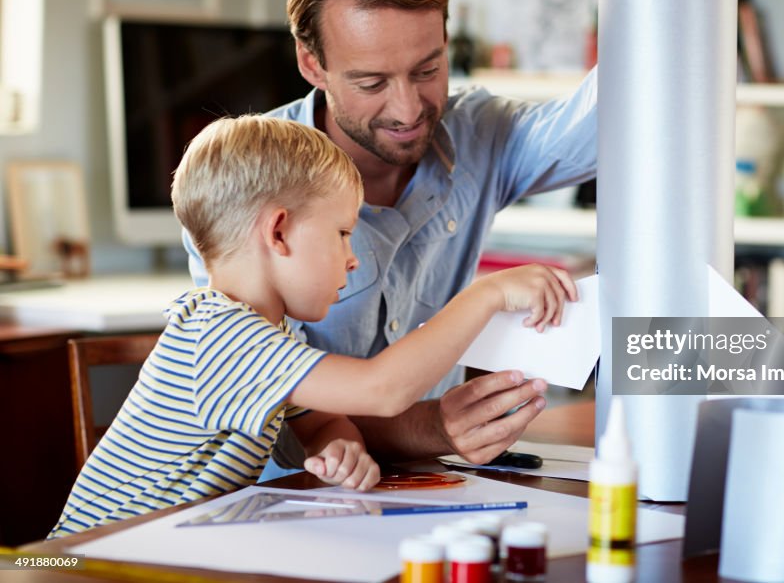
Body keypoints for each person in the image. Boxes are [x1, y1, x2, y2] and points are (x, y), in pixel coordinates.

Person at [184, 0, 742, 469]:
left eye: (428, 69)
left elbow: (610, 124)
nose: (408, 110)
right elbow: (287, 426)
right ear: (313, 64)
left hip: (439, 480)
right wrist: (430, 427)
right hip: (288, 504)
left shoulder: (477, 134)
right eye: (372, 83)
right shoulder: (240, 187)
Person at [51, 115, 576, 537]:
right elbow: (383, 389)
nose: (352, 259)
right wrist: (487, 293)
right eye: (343, 233)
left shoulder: (270, 337)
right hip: (81, 564)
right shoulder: (223, 337)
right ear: (278, 232)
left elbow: (321, 421)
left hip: (160, 549)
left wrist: (336, 444)